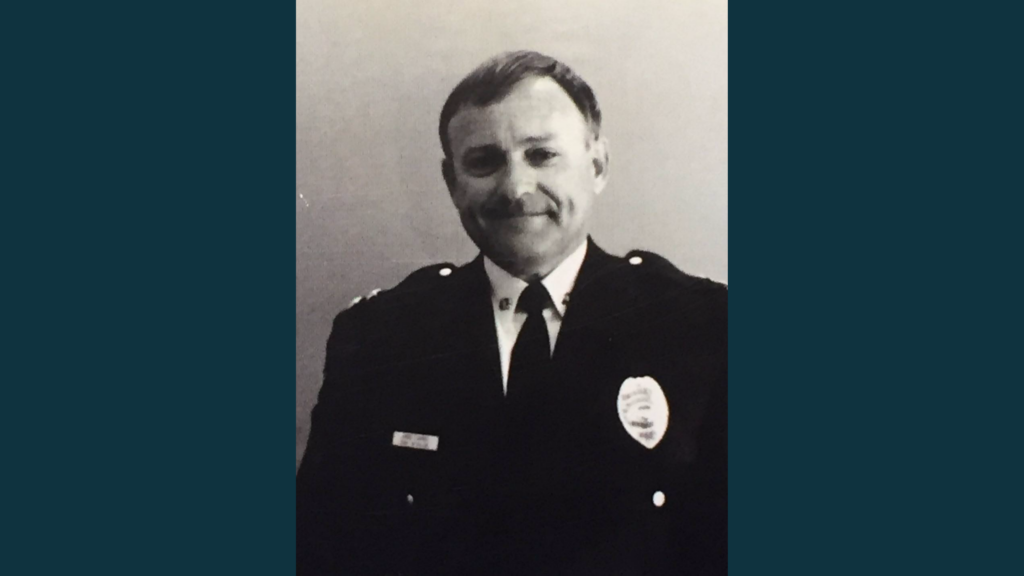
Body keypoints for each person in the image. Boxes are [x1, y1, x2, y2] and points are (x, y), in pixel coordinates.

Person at [296, 50, 727, 576]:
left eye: (542, 155)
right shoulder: (381, 338)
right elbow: (323, 549)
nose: (516, 189)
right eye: (484, 161)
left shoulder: (701, 326)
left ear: (597, 165)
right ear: (453, 181)